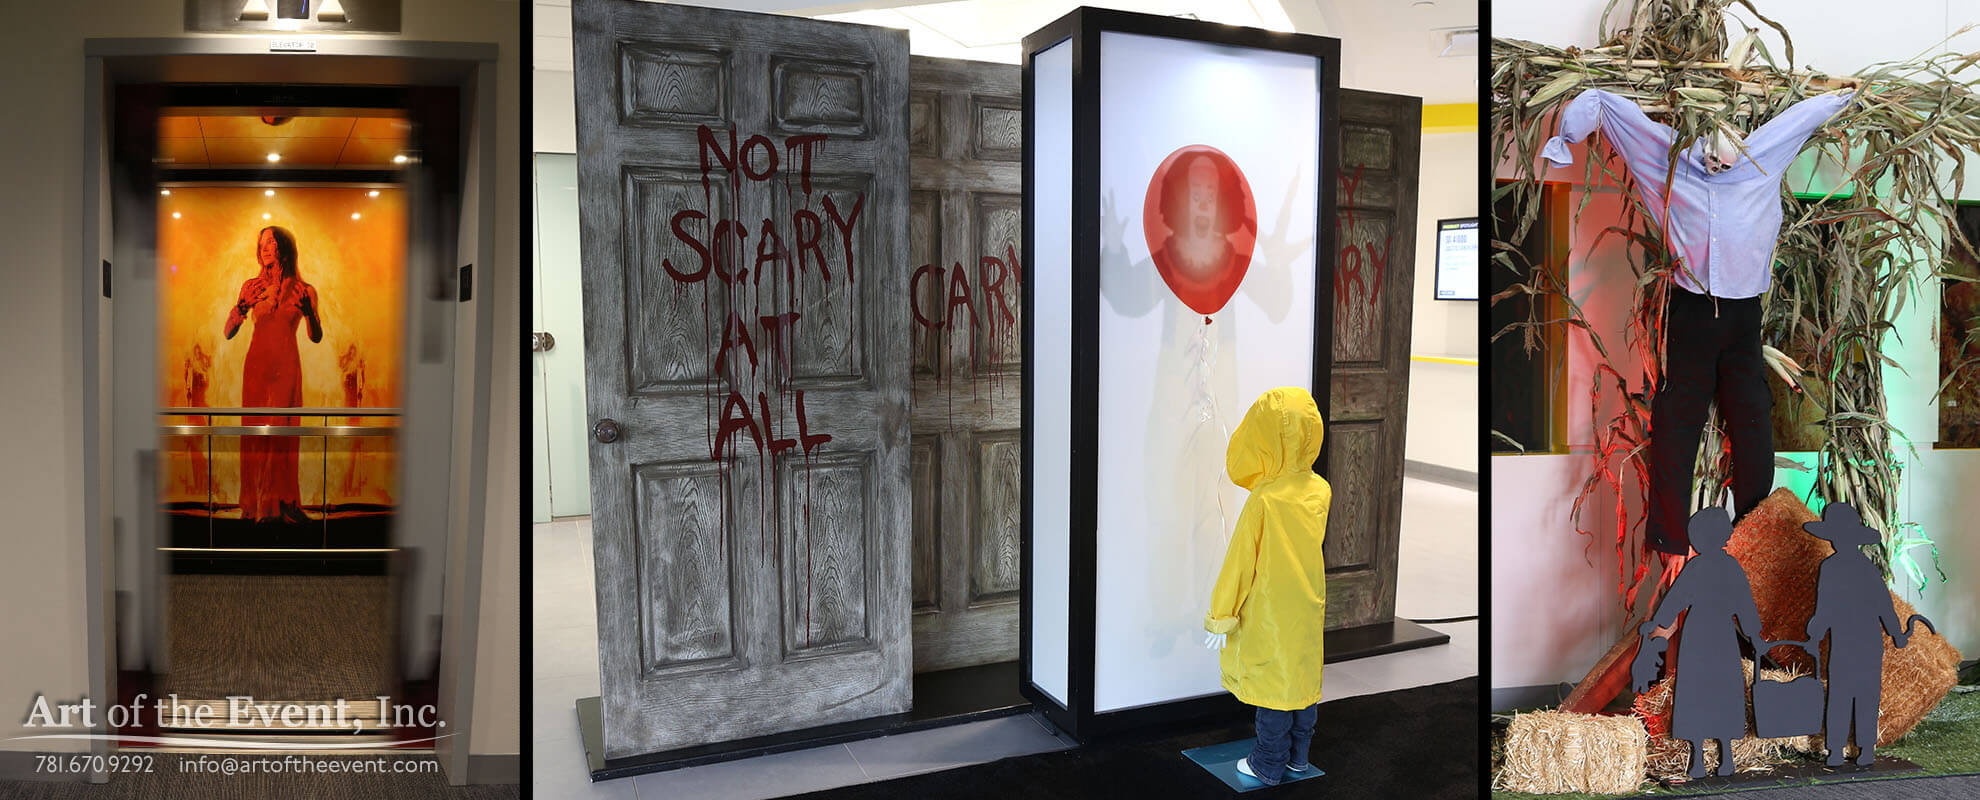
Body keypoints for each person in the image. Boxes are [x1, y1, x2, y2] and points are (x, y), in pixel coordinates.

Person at [1542, 87, 1856, 556]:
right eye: (1711, 160)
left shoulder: (1761, 156)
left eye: (1726, 163)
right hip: (1691, 306)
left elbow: (1800, 118)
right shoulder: (1667, 159)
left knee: (1752, 414)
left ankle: (1753, 531)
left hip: (1743, 310)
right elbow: (1608, 105)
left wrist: (1843, 99)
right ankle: (1669, 534)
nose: (1718, 168)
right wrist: (1565, 137)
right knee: (1677, 418)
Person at [1201, 387, 1330, 786]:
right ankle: (1298, 756)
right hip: (1308, 604)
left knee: (1274, 686)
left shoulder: (1265, 500)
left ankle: (1268, 762)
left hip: (1271, 610)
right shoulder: (1320, 490)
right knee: (1301, 681)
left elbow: (1240, 563)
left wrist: (1221, 614)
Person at [1635, 508, 1768, 779]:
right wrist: (1755, 635)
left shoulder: (1696, 567)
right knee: (1723, 691)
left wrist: (1657, 624)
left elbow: (1675, 600)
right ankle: (1724, 758)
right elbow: (1744, 605)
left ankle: (1698, 760)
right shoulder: (1730, 567)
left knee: (1696, 692)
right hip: (1721, 634)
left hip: (1697, 635)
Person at [224, 225, 323, 524]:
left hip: (286, 368)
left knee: (282, 434)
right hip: (257, 367)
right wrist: (241, 306)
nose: (264, 248)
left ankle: (283, 503)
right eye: (261, 243)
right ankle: (255, 504)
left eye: (270, 242)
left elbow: (316, 337)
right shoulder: (251, 286)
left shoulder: (304, 290)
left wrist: (309, 313)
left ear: (284, 247)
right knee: (255, 433)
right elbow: (228, 332)